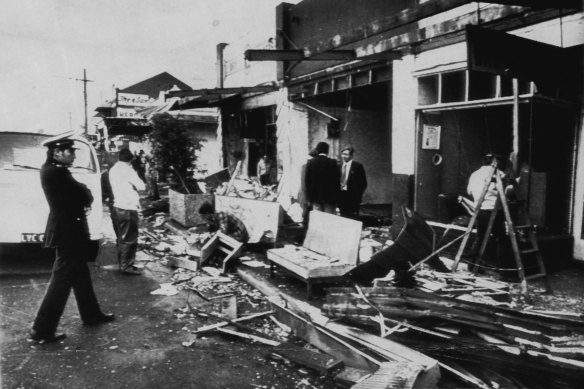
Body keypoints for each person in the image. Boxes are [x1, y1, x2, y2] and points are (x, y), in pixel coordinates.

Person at [30, 135, 114, 344]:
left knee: (80, 274)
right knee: (62, 279)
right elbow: (85, 194)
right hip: (68, 233)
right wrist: (85, 193)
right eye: (71, 151)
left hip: (69, 230)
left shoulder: (52, 170)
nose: (74, 154)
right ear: (57, 152)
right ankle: (42, 329)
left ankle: (91, 314)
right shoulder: (57, 172)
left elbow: (80, 194)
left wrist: (83, 194)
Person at [466, 154, 508, 268]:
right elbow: (507, 191)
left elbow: (469, 192)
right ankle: (504, 270)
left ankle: (472, 265)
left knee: (480, 238)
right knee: (502, 239)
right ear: (494, 162)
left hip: (479, 211)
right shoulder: (499, 173)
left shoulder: (474, 174)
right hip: (492, 210)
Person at [109, 148, 146, 275]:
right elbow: (142, 186)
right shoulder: (128, 170)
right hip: (128, 208)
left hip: (116, 207)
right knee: (130, 238)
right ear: (131, 160)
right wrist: (137, 171)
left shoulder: (113, 169)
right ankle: (126, 266)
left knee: (121, 238)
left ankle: (122, 264)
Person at [304, 142, 340, 214]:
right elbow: (337, 181)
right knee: (329, 219)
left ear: (317, 151)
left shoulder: (311, 163)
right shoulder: (332, 163)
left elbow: (307, 181)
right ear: (327, 151)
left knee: (318, 219)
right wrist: (337, 198)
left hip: (315, 196)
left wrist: (309, 198)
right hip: (330, 197)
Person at [338, 146, 367, 219]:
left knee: (352, 216)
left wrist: (358, 195)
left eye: (346, 154)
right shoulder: (338, 165)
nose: (343, 156)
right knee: (342, 216)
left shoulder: (357, 166)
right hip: (341, 195)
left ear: (351, 155)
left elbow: (363, 183)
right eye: (343, 154)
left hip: (353, 196)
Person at [100, 163, 120, 238]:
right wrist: (105, 197)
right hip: (113, 200)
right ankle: (120, 239)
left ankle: (121, 239)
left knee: (119, 221)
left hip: (119, 200)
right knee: (116, 220)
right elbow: (102, 188)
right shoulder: (104, 176)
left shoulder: (105, 175)